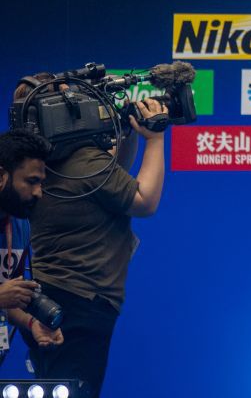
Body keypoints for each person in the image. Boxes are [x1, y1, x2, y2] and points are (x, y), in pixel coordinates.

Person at [12, 74, 168, 397]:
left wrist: (126, 134)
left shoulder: (50, 166)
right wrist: (155, 139)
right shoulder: (82, 161)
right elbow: (145, 200)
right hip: (81, 307)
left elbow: (107, 179)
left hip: (57, 301)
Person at [0, 129, 64, 369]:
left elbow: (8, 298)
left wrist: (30, 323)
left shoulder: (20, 226)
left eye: (41, 182)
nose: (39, 192)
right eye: (31, 181)